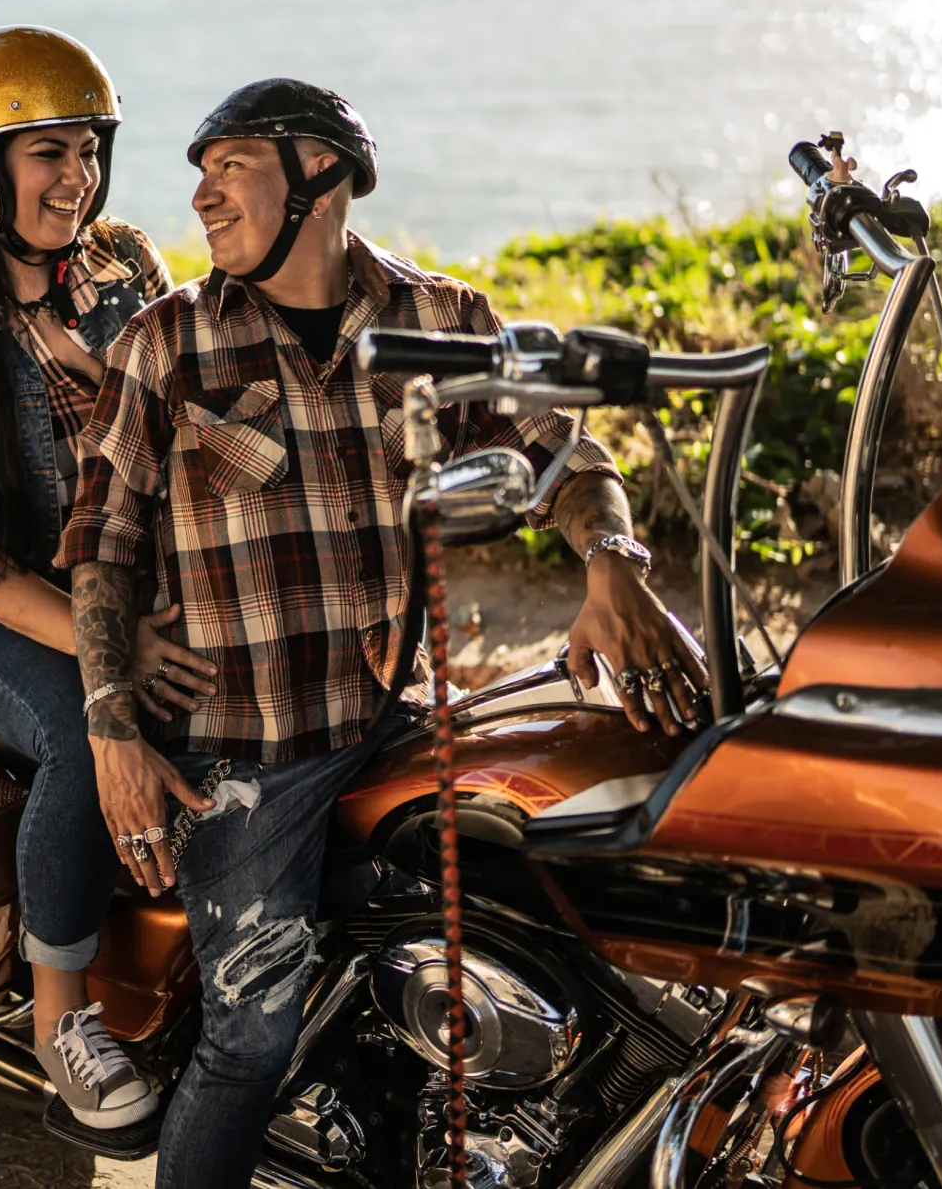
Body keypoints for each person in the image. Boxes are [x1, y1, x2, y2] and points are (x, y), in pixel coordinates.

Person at [57, 77, 706, 1187]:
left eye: (231, 165)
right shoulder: (171, 344)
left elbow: (567, 458)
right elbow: (102, 546)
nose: (203, 193)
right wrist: (115, 730)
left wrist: (612, 563)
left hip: (391, 720)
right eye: (200, 173)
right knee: (247, 1038)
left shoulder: (443, 323)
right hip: (242, 755)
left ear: (320, 173)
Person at [0, 24, 217, 1132]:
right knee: (83, 719)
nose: (80, 178)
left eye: (91, 149)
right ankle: (61, 1015)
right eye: (48, 153)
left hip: (132, 583)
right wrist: (113, 647)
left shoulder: (126, 266)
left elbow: (197, 416)